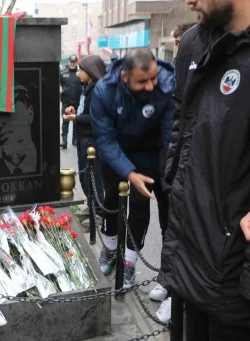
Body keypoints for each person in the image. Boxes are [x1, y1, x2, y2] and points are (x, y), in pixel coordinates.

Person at [159, 0, 250, 338]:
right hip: (189, 263)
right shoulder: (193, 44)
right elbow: (181, 130)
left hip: (236, 286)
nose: (189, 1)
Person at [90, 48, 173, 291]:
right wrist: (127, 171)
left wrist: (168, 172)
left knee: (138, 208)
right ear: (125, 77)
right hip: (114, 152)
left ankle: (129, 261)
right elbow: (105, 140)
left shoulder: (167, 86)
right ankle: (110, 247)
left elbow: (171, 136)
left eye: (153, 79)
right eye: (142, 81)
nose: (150, 86)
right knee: (111, 202)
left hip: (147, 155)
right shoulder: (105, 91)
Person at [62, 55, 106, 216]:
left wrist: (76, 118)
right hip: (83, 138)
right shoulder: (87, 87)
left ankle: (99, 213)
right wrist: (75, 111)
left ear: (91, 71)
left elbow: (96, 117)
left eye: (82, 70)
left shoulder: (97, 90)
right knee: (85, 177)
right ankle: (91, 207)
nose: (79, 73)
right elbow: (86, 111)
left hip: (91, 140)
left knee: (93, 178)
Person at [59, 55, 81, 149]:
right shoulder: (63, 72)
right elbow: (58, 81)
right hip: (66, 100)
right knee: (65, 120)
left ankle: (75, 139)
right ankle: (64, 140)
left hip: (77, 100)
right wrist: (59, 87)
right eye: (71, 61)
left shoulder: (80, 72)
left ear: (76, 62)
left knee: (76, 120)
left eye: (74, 62)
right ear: (68, 62)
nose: (72, 63)